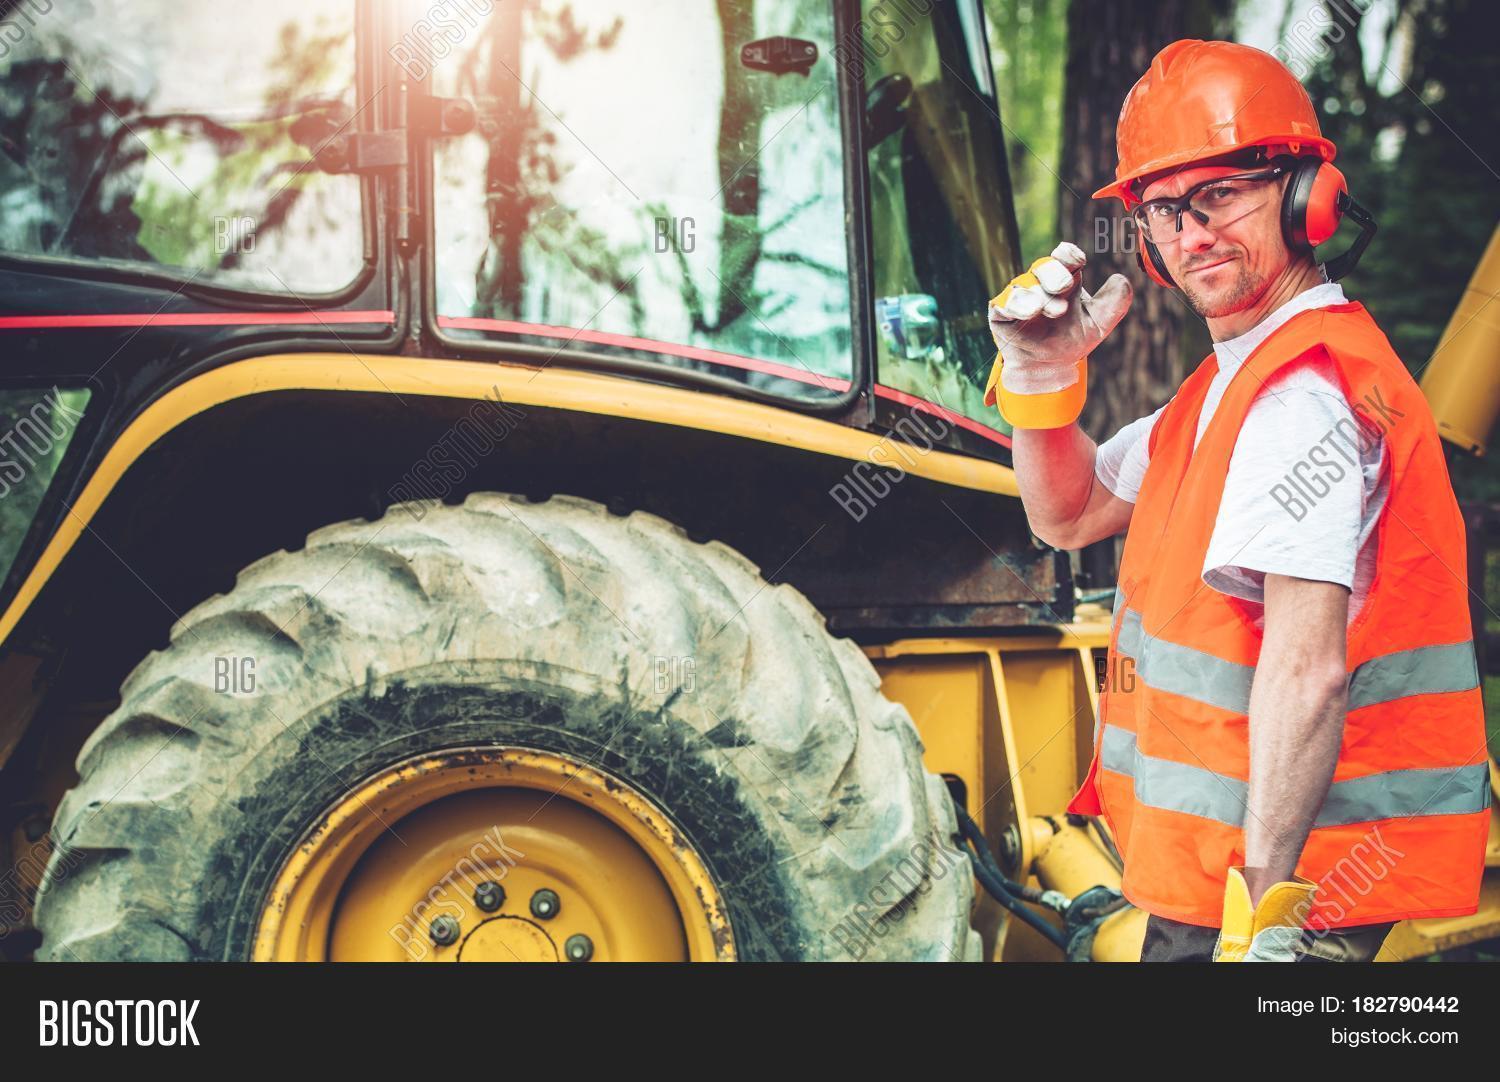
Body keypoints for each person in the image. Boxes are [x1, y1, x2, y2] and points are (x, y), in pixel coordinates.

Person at [984, 39, 1490, 962]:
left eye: (1219, 194)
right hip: (1216, 879)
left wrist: (1264, 925)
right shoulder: (1227, 387)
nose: (1192, 233)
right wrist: (1042, 378)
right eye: (1163, 209)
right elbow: (1068, 514)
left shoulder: (1302, 396)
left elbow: (1308, 671)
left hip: (1276, 893)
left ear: (1306, 198)